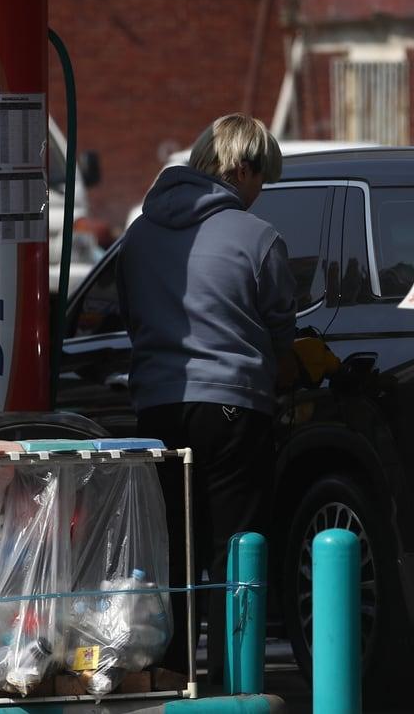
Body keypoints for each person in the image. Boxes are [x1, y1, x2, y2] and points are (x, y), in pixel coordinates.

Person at [117, 113, 298, 686]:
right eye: (259, 178)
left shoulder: (139, 235)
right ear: (240, 168)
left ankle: (170, 671)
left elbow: (129, 314)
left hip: (158, 408)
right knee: (233, 545)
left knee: (172, 543)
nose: (258, 192)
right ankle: (230, 677)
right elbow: (280, 333)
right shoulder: (258, 238)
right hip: (233, 406)